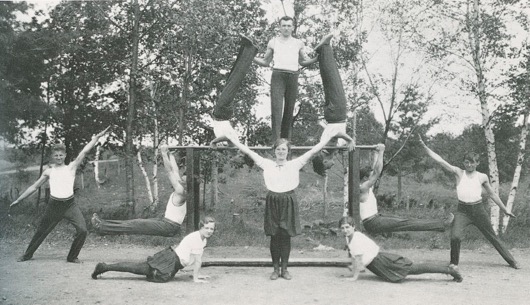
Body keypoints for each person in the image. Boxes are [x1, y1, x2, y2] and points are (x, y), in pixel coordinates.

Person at [224, 128, 343, 280]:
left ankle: (285, 269)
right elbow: (247, 151)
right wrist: (232, 140)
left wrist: (329, 137)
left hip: (288, 200)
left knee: (285, 236)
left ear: (288, 151)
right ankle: (275, 269)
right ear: (275, 151)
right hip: (273, 200)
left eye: (284, 149)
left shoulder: (295, 164)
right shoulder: (266, 164)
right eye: (278, 149)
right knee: (274, 236)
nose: (281, 152)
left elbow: (314, 150)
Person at [9, 126, 110, 263]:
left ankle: (72, 256)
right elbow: (34, 187)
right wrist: (19, 200)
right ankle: (27, 255)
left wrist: (96, 138)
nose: (58, 157)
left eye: (61, 155)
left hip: (70, 205)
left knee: (82, 230)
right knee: (41, 231)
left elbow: (84, 152)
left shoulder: (71, 167)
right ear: (52, 156)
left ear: (65, 155)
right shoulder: (49, 172)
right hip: (53, 206)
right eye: (56, 155)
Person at [419, 137, 520, 269]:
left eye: (472, 163)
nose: (469, 165)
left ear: (477, 163)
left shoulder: (482, 176)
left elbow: (492, 194)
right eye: (467, 162)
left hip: (478, 210)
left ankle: (512, 261)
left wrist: (504, 209)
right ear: (463, 162)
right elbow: (441, 161)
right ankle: (453, 264)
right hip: (462, 211)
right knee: (455, 236)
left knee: (492, 237)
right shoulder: (458, 173)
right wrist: (425, 148)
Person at [91, 145, 186, 237]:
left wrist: (164, 154)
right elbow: (175, 171)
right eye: (183, 177)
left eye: (184, 178)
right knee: (136, 222)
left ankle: (102, 227)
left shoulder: (181, 191)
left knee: (136, 224)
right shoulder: (183, 187)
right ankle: (103, 225)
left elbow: (169, 172)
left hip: (169, 226)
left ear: (187, 182)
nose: (182, 178)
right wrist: (171, 155)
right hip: (166, 222)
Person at [359, 143, 453, 234]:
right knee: (407, 223)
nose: (372, 178)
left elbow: (375, 170)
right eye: (369, 177)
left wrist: (376, 153)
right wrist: (381, 152)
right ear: (365, 178)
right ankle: (443, 224)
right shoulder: (363, 187)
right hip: (373, 223)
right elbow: (377, 172)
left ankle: (441, 225)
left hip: (375, 219)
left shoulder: (364, 185)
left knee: (407, 221)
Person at [253, 16, 318, 143]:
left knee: (289, 109)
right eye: (284, 25)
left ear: (293, 27)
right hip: (278, 75)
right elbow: (266, 61)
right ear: (279, 27)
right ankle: (276, 141)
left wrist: (316, 58)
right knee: (276, 109)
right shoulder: (273, 42)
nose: (286, 28)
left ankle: (285, 142)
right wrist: (251, 57)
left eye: (289, 26)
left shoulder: (298, 43)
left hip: (293, 76)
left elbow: (303, 61)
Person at [339, 216, 463, 282]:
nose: (345, 230)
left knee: (414, 269)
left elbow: (359, 259)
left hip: (381, 262)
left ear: (353, 226)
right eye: (342, 228)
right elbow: (359, 260)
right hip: (379, 260)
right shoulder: (352, 236)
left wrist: (354, 277)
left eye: (347, 227)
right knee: (415, 268)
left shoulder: (355, 239)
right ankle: (448, 269)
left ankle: (449, 270)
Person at [91, 216, 215, 283]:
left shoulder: (202, 239)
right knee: (138, 268)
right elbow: (198, 261)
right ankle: (104, 267)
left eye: (211, 229)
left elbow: (192, 258)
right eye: (207, 228)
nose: (209, 231)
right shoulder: (197, 238)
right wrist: (196, 278)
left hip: (172, 261)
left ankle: (105, 267)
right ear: (201, 227)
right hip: (170, 260)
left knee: (139, 268)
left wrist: (199, 275)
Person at [310, 34, 355, 176]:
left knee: (334, 79)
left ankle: (325, 47)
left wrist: (350, 140)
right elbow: (331, 132)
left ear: (324, 161)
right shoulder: (324, 148)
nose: (332, 165)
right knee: (329, 81)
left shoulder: (329, 149)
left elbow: (336, 133)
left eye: (328, 167)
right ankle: (322, 52)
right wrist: (323, 125)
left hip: (337, 114)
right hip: (331, 116)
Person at [211, 34, 259, 146]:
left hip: (221, 113)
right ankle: (250, 50)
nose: (220, 145)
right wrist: (214, 142)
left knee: (233, 77)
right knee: (236, 79)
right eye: (222, 146)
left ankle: (246, 48)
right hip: (221, 113)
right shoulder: (233, 143)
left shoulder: (231, 142)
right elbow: (227, 138)